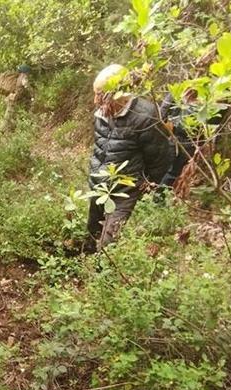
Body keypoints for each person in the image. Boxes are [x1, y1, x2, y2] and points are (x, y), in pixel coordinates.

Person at [84, 64, 174, 253]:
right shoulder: (102, 112)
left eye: (101, 95)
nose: (95, 100)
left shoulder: (146, 116)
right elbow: (100, 147)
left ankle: (103, 269)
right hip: (100, 184)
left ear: (119, 93)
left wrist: (146, 183)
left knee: (109, 240)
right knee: (92, 229)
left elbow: (160, 157)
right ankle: (85, 259)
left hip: (125, 190)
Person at [1, 64, 33, 133]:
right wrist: (32, 95)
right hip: (14, 99)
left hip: (13, 98)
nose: (29, 73)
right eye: (28, 72)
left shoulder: (19, 77)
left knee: (12, 114)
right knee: (9, 115)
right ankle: (3, 129)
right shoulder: (24, 78)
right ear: (26, 71)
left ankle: (10, 129)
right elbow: (27, 87)